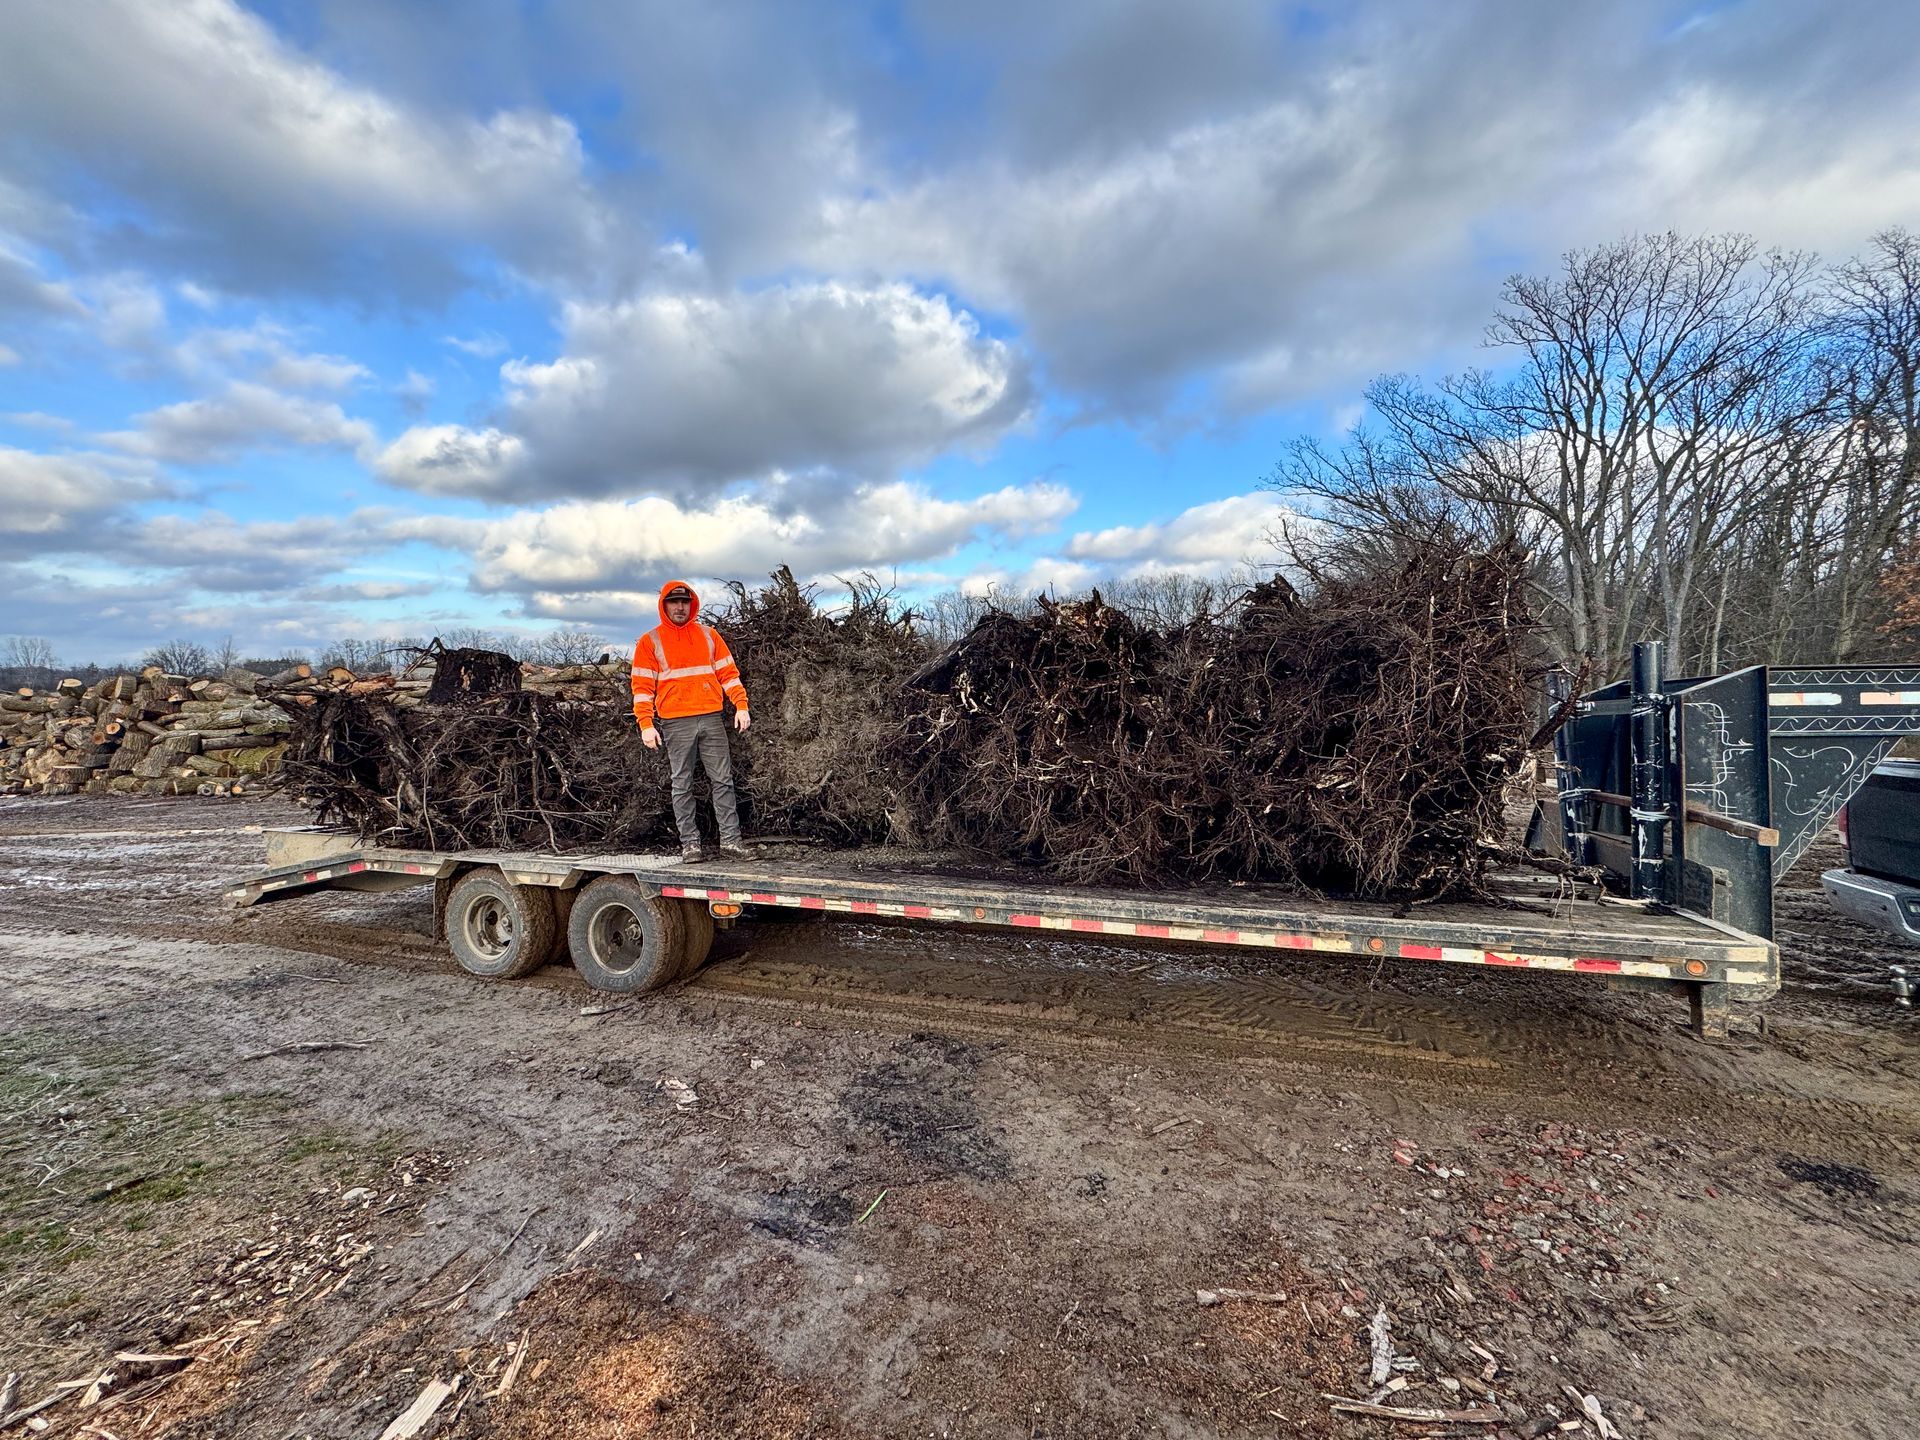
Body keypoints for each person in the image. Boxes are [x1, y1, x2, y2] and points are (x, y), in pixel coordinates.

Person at [630, 580, 753, 862]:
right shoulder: (651, 641)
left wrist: (741, 705)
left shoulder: (709, 636)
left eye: (685, 602)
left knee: (723, 781)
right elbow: (642, 688)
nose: (680, 607)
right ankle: (690, 845)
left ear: (692, 604)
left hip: (711, 718)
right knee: (682, 784)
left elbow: (729, 675)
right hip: (675, 723)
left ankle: (731, 843)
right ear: (664, 605)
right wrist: (646, 724)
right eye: (674, 602)